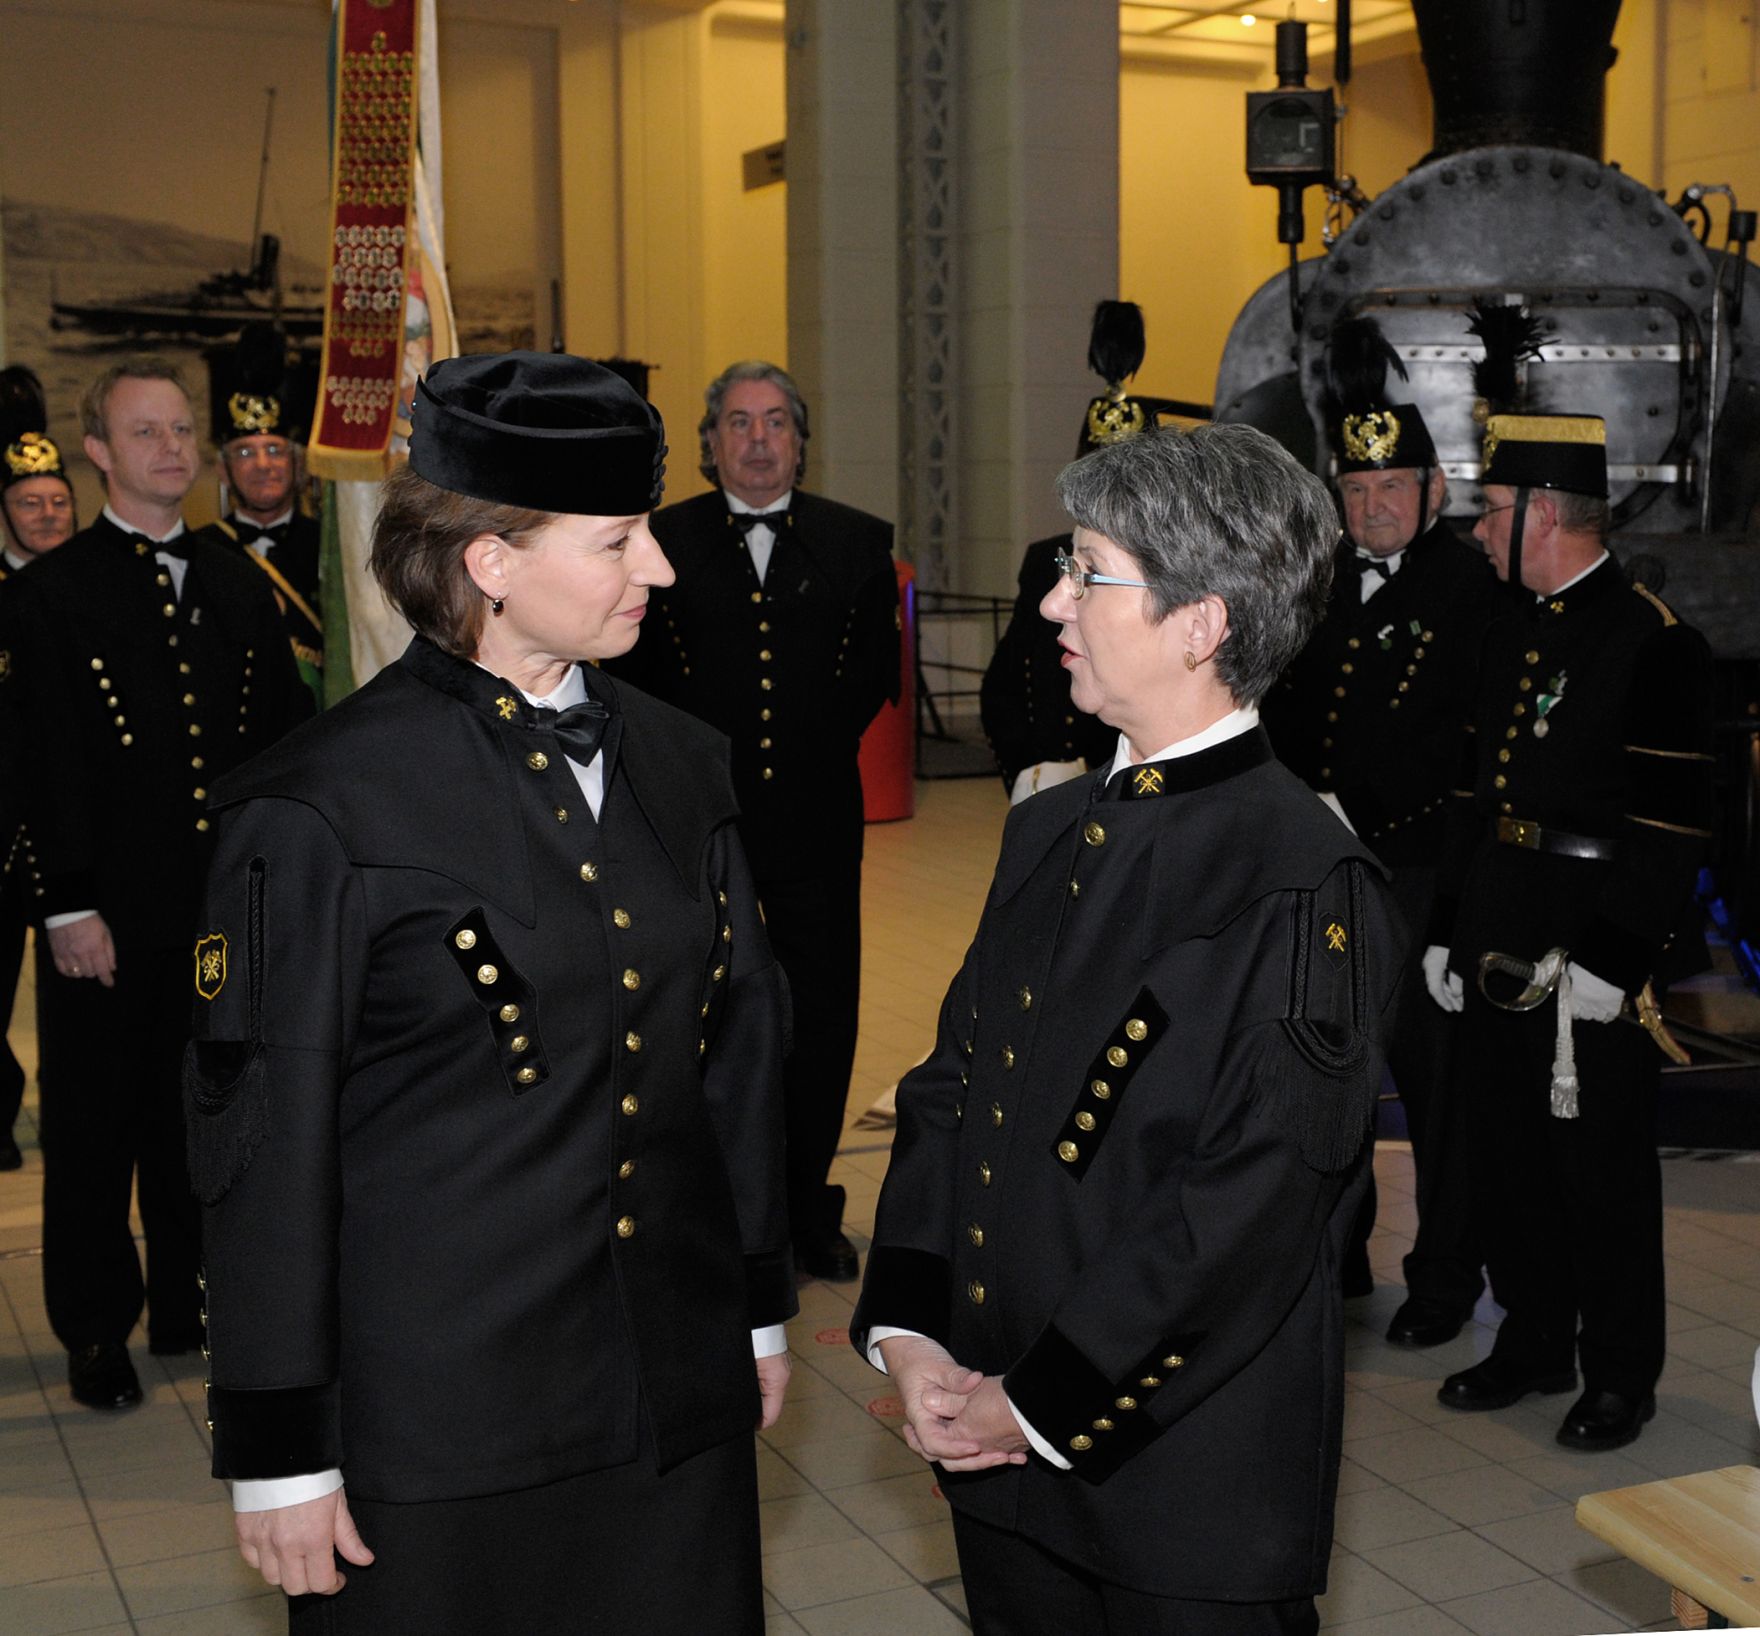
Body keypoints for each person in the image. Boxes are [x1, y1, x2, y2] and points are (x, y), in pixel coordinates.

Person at [188, 352, 795, 1634]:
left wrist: (751, 1311)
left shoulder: (683, 761)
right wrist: (281, 1446)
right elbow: (262, 1144)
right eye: (617, 541)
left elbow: (736, 1054)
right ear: (490, 561)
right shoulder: (320, 804)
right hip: (438, 1415)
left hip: (665, 1390)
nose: (659, 567)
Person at [853, 424, 1401, 1633]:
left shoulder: (1303, 876)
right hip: (997, 1446)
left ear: (1198, 624)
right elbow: (951, 1089)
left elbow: (1247, 1208)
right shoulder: (1051, 827)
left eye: (1087, 572)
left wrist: (1038, 1401)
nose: (1054, 601)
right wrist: (914, 1327)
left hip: (1174, 1479)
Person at [0, 358, 310, 1411]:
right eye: (145, 432)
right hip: (103, 910)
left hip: (216, 907)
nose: (171, 448)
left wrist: (272, 888)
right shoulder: (49, 593)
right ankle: (96, 1325)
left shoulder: (237, 582)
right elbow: (36, 761)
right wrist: (65, 901)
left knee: (207, 1112)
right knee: (94, 1127)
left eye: (181, 430)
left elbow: (276, 748)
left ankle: (190, 1301)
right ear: (97, 451)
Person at [1428, 412, 1713, 1452]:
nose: (1478, 529)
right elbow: (1475, 794)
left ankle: (1619, 1373)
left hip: (1589, 937)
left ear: (1543, 514)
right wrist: (1446, 926)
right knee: (1505, 1153)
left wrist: (1616, 955)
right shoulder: (1508, 627)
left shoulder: (1653, 641)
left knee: (1601, 1172)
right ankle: (1535, 1338)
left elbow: (1673, 822)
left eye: (1494, 509)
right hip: (1501, 920)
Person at [607, 360, 899, 1282]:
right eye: (739, 422)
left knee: (823, 1016)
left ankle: (806, 1206)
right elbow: (637, 680)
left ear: (801, 442)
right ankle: (717, 1209)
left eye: (776, 421)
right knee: (702, 1014)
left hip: (818, 823)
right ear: (710, 443)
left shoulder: (857, 542)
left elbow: (871, 676)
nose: (759, 439)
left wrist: (804, 757)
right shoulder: (662, 542)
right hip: (698, 826)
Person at [1261, 315, 1505, 1342]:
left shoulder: (1471, 589)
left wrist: (1361, 813)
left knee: (1434, 1086)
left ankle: (1444, 1279)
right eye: (1356, 491)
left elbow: (1470, 748)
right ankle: (1338, 1259)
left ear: (1434, 491)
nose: (1372, 509)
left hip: (1416, 872)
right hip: (1322, 874)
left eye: (1392, 488)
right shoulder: (1314, 581)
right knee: (1326, 1072)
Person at [980, 301, 1164, 803]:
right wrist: (1030, 768)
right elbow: (1006, 684)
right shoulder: (1046, 561)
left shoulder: (1171, 571)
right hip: (1053, 785)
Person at [0, 415, 77, 1170]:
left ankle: (72, 1110)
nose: (47, 515)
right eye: (29, 502)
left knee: (75, 996)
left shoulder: (94, 589)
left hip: (74, 832)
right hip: (4, 832)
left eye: (58, 501)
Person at [206, 323, 324, 702]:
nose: (262, 465)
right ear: (223, 470)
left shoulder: (328, 548)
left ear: (298, 464)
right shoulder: (199, 550)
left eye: (275, 450)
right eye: (245, 453)